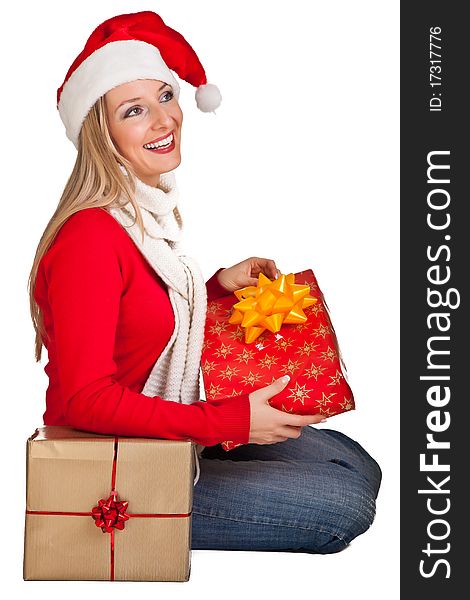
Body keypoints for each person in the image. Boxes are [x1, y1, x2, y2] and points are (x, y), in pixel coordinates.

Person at [28, 11, 381, 555]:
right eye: (134, 111)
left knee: (355, 462)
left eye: (166, 96)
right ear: (101, 133)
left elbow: (144, 316)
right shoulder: (90, 239)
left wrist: (215, 288)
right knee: (345, 504)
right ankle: (114, 528)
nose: (164, 120)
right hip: (115, 461)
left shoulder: (139, 212)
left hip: (165, 422)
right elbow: (84, 400)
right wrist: (228, 421)